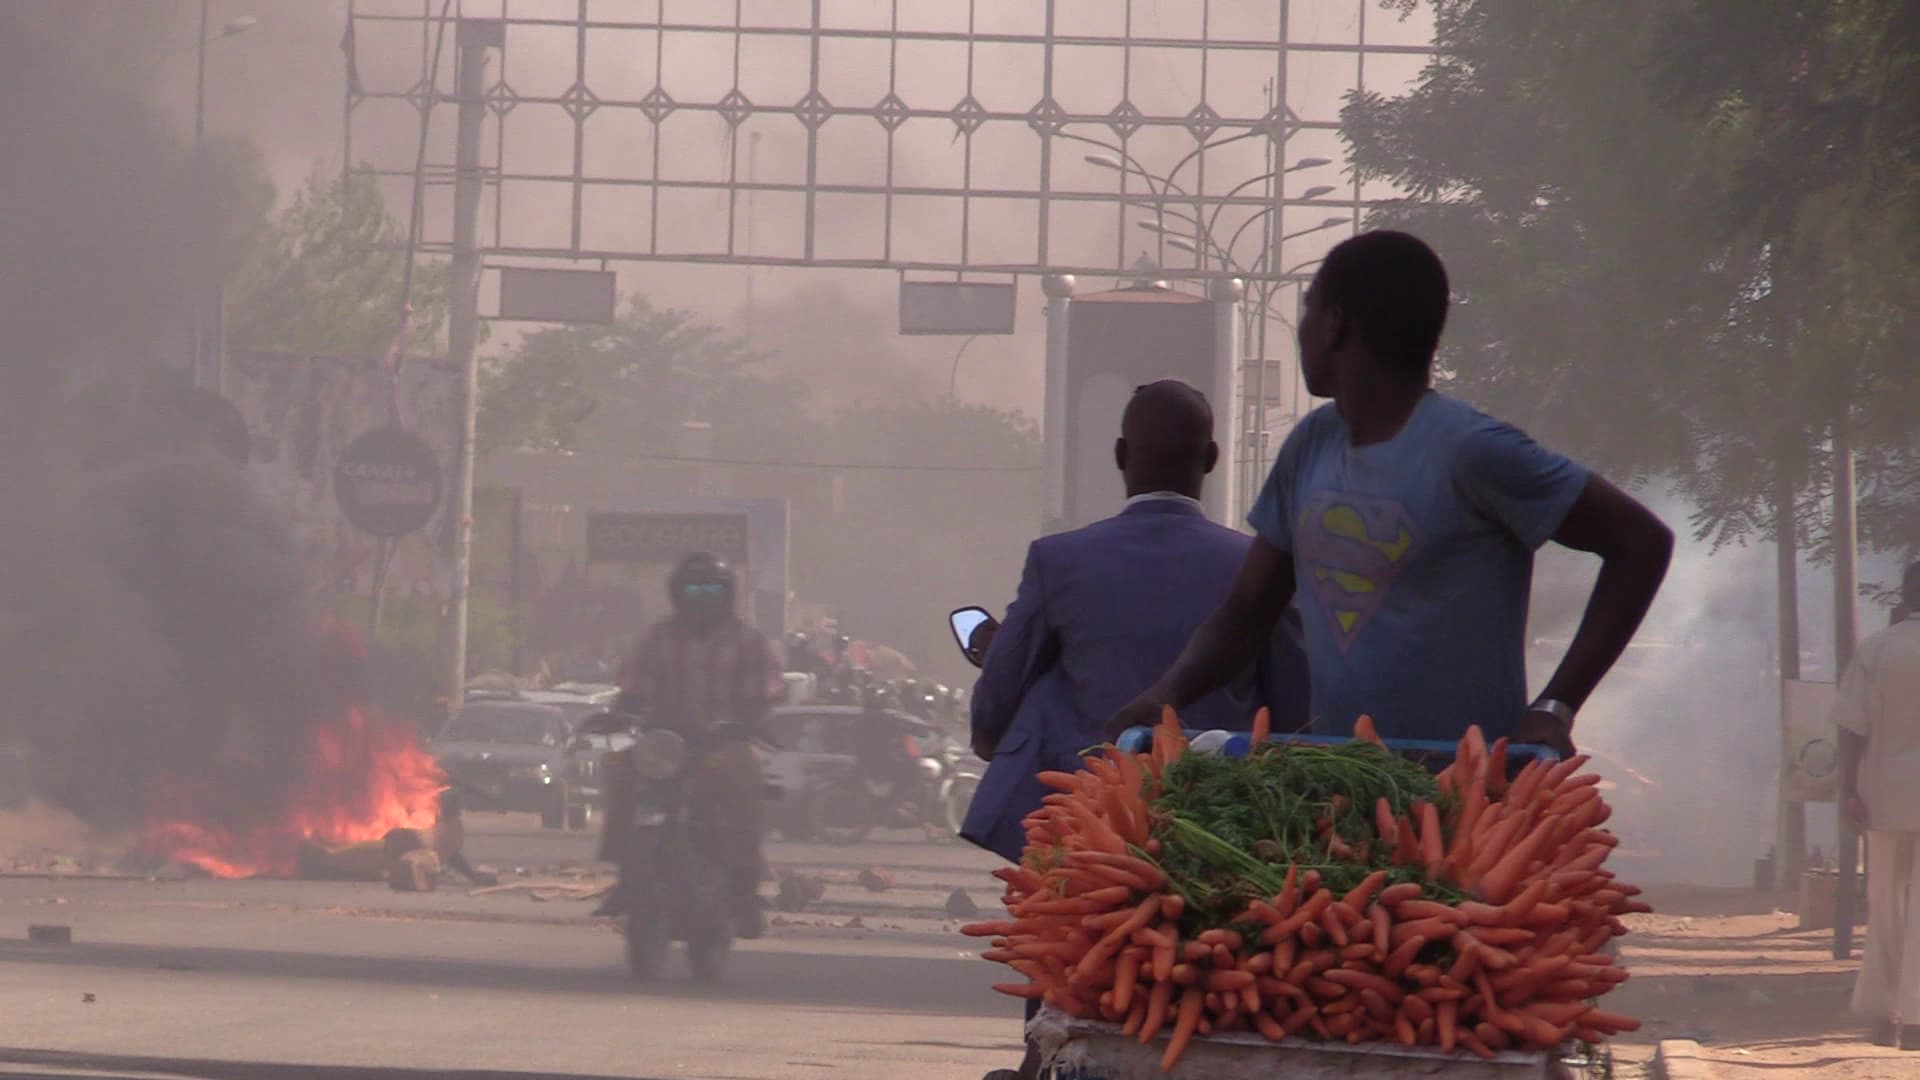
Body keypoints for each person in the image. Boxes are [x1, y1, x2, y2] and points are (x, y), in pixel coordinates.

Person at [1111, 231, 1673, 758]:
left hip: (1468, 793)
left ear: (1334, 325)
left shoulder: (1472, 451)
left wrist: (1556, 705)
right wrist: (1162, 698)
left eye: (1307, 311)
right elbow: (1246, 614)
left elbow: (1641, 543)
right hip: (1342, 784)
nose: (1301, 328)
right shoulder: (1310, 445)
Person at [964, 380, 1310, 1080]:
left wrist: (995, 742)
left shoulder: (1059, 560)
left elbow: (997, 697)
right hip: (1226, 845)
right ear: (1211, 458)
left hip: (1083, 843)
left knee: (1064, 992)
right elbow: (1298, 705)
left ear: (1121, 455)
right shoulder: (1256, 568)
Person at [595, 552, 780, 936]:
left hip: (722, 742)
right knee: (621, 772)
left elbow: (763, 695)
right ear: (678, 593)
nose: (703, 597)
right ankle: (628, 873)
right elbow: (632, 688)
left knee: (745, 775)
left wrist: (748, 722)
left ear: (727, 593)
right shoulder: (657, 638)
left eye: (712, 588)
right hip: (666, 744)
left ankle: (745, 886)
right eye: (694, 589)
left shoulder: (748, 642)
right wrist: (622, 712)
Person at [1836, 561, 1920, 1050]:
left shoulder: (1877, 649)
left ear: (1906, 598)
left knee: (1885, 903)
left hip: (1885, 793)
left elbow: (1851, 726)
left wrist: (1848, 788)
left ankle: (1883, 1015)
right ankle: (1916, 1022)